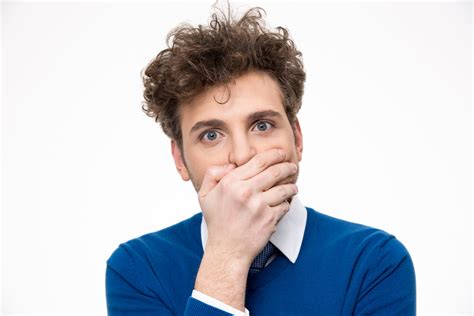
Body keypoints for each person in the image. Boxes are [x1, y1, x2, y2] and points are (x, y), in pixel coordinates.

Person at [105, 5, 416, 315]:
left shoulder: (373, 262)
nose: (242, 155)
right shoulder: (138, 269)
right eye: (211, 135)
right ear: (180, 160)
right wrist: (227, 256)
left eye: (262, 126)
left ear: (297, 138)